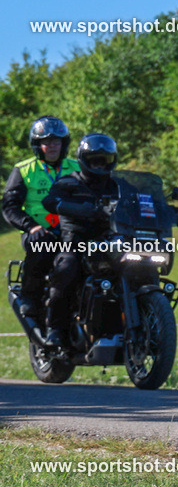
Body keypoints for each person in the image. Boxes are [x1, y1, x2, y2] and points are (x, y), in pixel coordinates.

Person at [41, 133, 119, 348]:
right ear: (84, 159)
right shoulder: (69, 182)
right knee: (67, 268)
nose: (99, 164)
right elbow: (50, 200)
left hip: (111, 243)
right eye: (94, 159)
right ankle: (55, 329)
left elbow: (138, 200)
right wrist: (72, 207)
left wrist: (165, 209)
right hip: (76, 243)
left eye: (104, 159)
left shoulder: (117, 185)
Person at [2, 116, 80, 323]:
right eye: (46, 142)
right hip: (40, 232)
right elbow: (9, 207)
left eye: (56, 141)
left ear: (64, 144)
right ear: (37, 145)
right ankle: (30, 296)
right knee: (42, 246)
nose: (52, 146)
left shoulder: (78, 168)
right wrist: (31, 227)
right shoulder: (23, 170)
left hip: (72, 233)